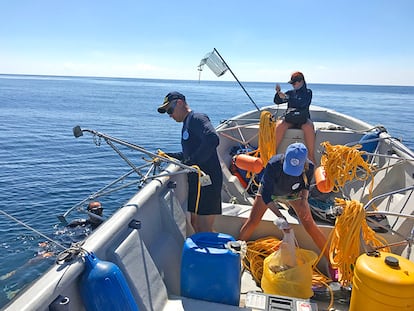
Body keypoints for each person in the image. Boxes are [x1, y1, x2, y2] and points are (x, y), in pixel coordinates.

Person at [239, 143, 329, 261]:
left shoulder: (310, 167)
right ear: (285, 157)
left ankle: (331, 261)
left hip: (293, 194)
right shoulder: (274, 164)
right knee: (253, 221)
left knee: (310, 225)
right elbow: (266, 196)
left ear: (304, 164)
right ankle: (236, 251)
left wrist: (304, 200)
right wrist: (281, 219)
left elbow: (305, 187)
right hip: (270, 192)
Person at [157, 91, 222, 233]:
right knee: (196, 224)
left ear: (179, 103)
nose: (170, 115)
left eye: (170, 110)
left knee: (203, 227)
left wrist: (192, 162)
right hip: (197, 182)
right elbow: (188, 154)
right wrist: (168, 156)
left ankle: (211, 254)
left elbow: (212, 138)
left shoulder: (197, 118)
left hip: (207, 181)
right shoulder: (187, 123)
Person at [274, 71, 316, 164]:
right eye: (291, 83)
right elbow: (277, 101)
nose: (293, 85)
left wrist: (287, 97)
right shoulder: (290, 93)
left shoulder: (308, 92)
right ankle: (272, 152)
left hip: (303, 119)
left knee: (308, 127)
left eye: (294, 83)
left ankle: (311, 156)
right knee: (280, 125)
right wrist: (278, 94)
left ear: (301, 81)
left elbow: (302, 102)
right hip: (291, 118)